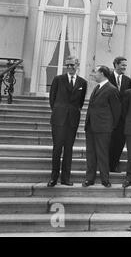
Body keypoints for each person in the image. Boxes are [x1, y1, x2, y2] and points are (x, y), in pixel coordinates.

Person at [47, 56, 87, 187]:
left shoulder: (82, 82)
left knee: (68, 149)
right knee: (57, 148)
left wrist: (72, 112)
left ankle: (66, 178)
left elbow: (80, 102)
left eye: (72, 65)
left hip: (72, 120)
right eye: (67, 65)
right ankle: (54, 177)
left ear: (77, 66)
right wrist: (59, 111)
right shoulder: (58, 79)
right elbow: (52, 99)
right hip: (59, 119)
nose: (70, 67)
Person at [83, 65, 121, 188]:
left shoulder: (112, 89)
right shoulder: (96, 88)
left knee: (103, 154)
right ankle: (90, 179)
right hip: (91, 126)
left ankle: (105, 179)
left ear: (103, 74)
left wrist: (110, 126)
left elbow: (116, 111)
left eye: (96, 71)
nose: (94, 74)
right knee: (91, 154)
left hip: (103, 128)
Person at [108, 57, 131, 172]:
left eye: (125, 66)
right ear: (116, 65)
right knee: (108, 142)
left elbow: (127, 100)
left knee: (119, 142)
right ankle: (106, 164)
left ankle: (115, 164)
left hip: (122, 118)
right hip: (108, 116)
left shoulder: (128, 80)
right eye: (122, 65)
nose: (124, 67)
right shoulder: (107, 78)